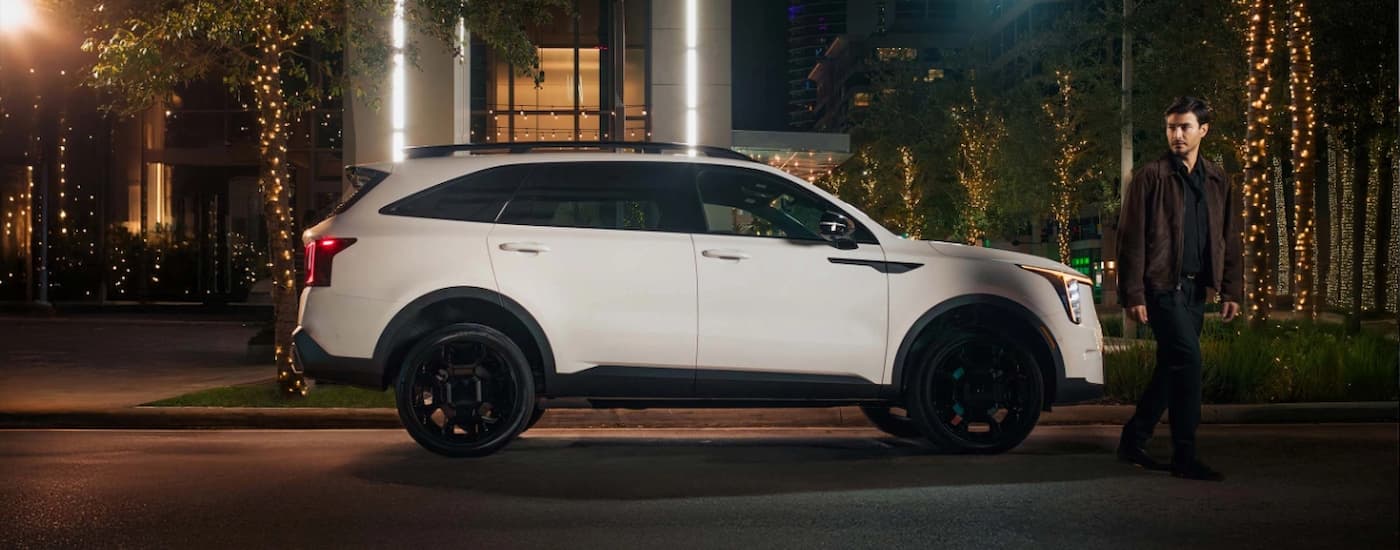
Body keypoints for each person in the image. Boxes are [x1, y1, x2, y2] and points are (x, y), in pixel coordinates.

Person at [1115, 96, 1243, 482]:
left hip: (1195, 291)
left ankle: (1133, 439)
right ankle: (1185, 455)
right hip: (1162, 287)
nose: (1177, 134)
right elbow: (1130, 239)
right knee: (1189, 362)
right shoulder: (1150, 177)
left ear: (1203, 130)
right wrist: (1133, 294)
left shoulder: (1219, 179)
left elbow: (1229, 237)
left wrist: (1232, 289)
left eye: (1185, 126)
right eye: (1171, 126)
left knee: (1170, 368)